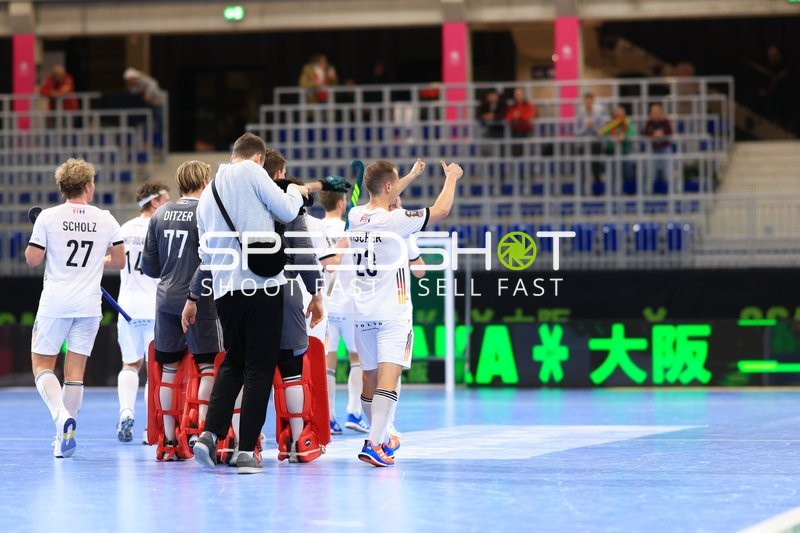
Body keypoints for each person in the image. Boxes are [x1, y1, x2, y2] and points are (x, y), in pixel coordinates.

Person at [186, 133, 308, 474]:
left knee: (232, 364)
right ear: (258, 158)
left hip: (224, 290)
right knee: (259, 369)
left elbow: (205, 253)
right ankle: (244, 452)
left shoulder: (208, 192)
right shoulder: (253, 172)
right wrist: (295, 192)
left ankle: (209, 435)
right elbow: (285, 210)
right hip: (263, 287)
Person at [347, 158, 462, 467]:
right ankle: (374, 443)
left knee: (369, 380)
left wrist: (410, 175)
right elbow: (441, 210)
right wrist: (451, 177)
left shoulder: (355, 215)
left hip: (362, 312)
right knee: (389, 378)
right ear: (388, 186)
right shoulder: (397, 221)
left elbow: (385, 192)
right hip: (392, 312)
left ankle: (379, 439)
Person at [26, 158, 126, 458]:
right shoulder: (106, 218)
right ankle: (63, 438)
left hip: (56, 303)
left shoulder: (48, 217)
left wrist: (41, 240)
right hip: (88, 305)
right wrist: (98, 260)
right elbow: (119, 261)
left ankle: (61, 418)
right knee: (75, 373)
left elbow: (32, 259)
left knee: (43, 366)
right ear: (87, 185)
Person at [140, 160, 222, 461]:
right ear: (204, 182)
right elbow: (214, 259)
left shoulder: (159, 213)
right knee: (207, 366)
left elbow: (149, 267)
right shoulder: (207, 212)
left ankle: (170, 440)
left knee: (169, 371)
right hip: (199, 298)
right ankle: (202, 433)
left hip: (165, 300)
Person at [115, 180, 171, 443]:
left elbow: (112, 261)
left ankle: (126, 412)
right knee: (154, 369)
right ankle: (153, 427)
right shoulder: (161, 227)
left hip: (127, 305)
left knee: (130, 364)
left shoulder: (124, 229)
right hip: (155, 306)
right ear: (155, 201)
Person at [123, 68, 166, 147]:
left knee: (159, 124)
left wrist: (148, 94)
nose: (130, 82)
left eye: (130, 80)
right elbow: (134, 94)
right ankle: (146, 143)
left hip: (157, 104)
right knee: (146, 125)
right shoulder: (134, 86)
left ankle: (158, 144)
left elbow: (153, 84)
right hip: (147, 107)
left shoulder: (143, 80)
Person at [599, 105, 636, 192]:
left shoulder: (628, 123)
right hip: (611, 151)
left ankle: (628, 192)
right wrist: (612, 138)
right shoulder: (609, 123)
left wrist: (624, 137)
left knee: (627, 172)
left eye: (621, 111)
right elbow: (602, 133)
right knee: (611, 174)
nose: (619, 113)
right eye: (617, 111)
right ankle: (611, 192)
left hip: (624, 151)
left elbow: (632, 134)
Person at [574, 92, 607, 186]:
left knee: (595, 165)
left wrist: (593, 127)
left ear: (593, 101)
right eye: (586, 100)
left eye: (590, 99)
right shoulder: (579, 114)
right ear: (584, 101)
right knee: (582, 166)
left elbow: (602, 130)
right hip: (582, 143)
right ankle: (582, 186)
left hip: (596, 143)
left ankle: (597, 187)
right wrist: (585, 127)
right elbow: (576, 131)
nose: (588, 102)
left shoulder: (599, 113)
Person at [641, 103, 673, 185]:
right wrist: (653, 134)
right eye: (653, 111)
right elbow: (644, 132)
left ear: (660, 112)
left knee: (667, 171)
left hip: (665, 148)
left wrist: (662, 133)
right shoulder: (649, 122)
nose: (654, 113)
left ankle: (669, 191)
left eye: (656, 111)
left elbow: (669, 132)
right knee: (651, 172)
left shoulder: (665, 121)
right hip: (653, 148)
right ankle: (649, 192)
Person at [505, 88, 535, 156]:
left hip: (527, 132)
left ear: (523, 95)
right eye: (516, 94)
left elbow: (529, 116)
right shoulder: (512, 106)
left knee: (528, 153)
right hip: (515, 133)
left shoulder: (529, 105)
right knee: (516, 154)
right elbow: (508, 117)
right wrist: (514, 116)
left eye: (520, 94)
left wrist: (519, 116)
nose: (518, 96)